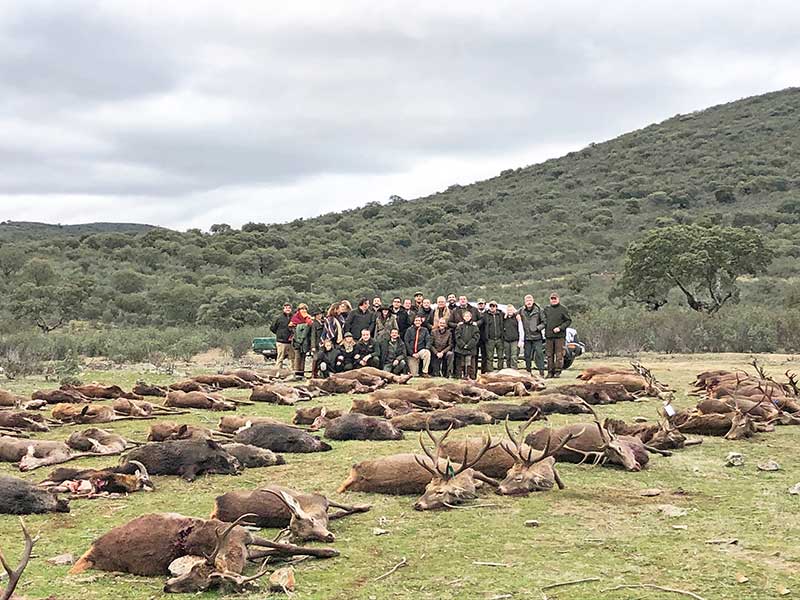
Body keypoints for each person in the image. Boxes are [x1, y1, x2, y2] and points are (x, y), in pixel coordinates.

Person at [543, 292, 572, 378]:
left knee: (559, 355)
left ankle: (557, 372)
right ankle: (549, 372)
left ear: (558, 299)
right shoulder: (546, 309)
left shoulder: (563, 309)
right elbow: (543, 320)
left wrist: (560, 328)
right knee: (549, 355)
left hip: (560, 336)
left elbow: (568, 321)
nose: (553, 300)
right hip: (548, 336)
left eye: (555, 299)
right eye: (552, 299)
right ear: (550, 300)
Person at [520, 294, 546, 376]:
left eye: (530, 300)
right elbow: (513, 313)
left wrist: (538, 328)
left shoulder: (539, 310)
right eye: (527, 301)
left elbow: (544, 322)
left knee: (539, 354)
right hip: (527, 337)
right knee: (527, 355)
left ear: (533, 301)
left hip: (537, 337)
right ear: (525, 302)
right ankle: (528, 372)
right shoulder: (522, 310)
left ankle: (541, 372)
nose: (529, 302)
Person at [454, 310, 480, 379]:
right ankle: (461, 376)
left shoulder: (474, 327)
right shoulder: (460, 326)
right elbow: (457, 336)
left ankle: (470, 377)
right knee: (461, 363)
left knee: (470, 363)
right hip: (460, 348)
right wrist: (462, 345)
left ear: (471, 317)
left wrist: (469, 345)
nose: (467, 317)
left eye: (468, 316)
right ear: (463, 317)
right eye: (465, 316)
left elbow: (476, 337)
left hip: (471, 349)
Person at [290, 304, 313, 377]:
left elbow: (310, 324)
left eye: (305, 309)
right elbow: (291, 327)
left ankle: (302, 373)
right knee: (297, 357)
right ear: (298, 310)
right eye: (302, 309)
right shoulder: (295, 317)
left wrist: (307, 318)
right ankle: (297, 373)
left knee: (303, 357)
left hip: (305, 341)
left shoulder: (308, 317)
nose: (304, 310)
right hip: (296, 340)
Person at [270, 302, 294, 370]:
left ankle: (291, 372)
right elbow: (272, 328)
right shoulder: (279, 318)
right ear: (283, 309)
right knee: (280, 358)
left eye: (289, 308)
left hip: (291, 342)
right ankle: (277, 372)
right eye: (286, 308)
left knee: (292, 358)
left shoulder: (294, 317)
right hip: (281, 342)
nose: (288, 309)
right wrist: (279, 334)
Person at [482, 300, 505, 372]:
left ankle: (500, 371)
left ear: (496, 307)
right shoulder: (485, 315)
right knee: (489, 357)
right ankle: (490, 372)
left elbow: (510, 314)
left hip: (499, 339)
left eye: (494, 306)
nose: (492, 307)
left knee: (500, 356)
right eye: (491, 306)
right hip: (490, 339)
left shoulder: (501, 314)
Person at [502, 304, 524, 369]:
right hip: (506, 340)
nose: (510, 311)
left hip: (515, 340)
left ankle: (514, 369)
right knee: (507, 357)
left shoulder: (517, 318)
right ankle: (508, 370)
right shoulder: (504, 319)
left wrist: (521, 340)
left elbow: (521, 329)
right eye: (508, 310)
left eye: (511, 310)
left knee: (514, 356)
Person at [309, 308, 325, 377]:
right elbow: (313, 335)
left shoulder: (323, 322)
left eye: (320, 314)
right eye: (318, 314)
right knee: (315, 358)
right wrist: (313, 346)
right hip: (316, 343)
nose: (319, 315)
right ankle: (313, 373)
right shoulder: (314, 324)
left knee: (321, 358)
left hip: (323, 343)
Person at [475, 298, 488, 372]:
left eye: (482, 304)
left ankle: (484, 372)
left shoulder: (487, 313)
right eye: (479, 304)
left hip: (484, 337)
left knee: (485, 356)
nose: (481, 305)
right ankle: (475, 372)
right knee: (475, 356)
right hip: (476, 337)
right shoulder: (474, 312)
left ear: (485, 305)